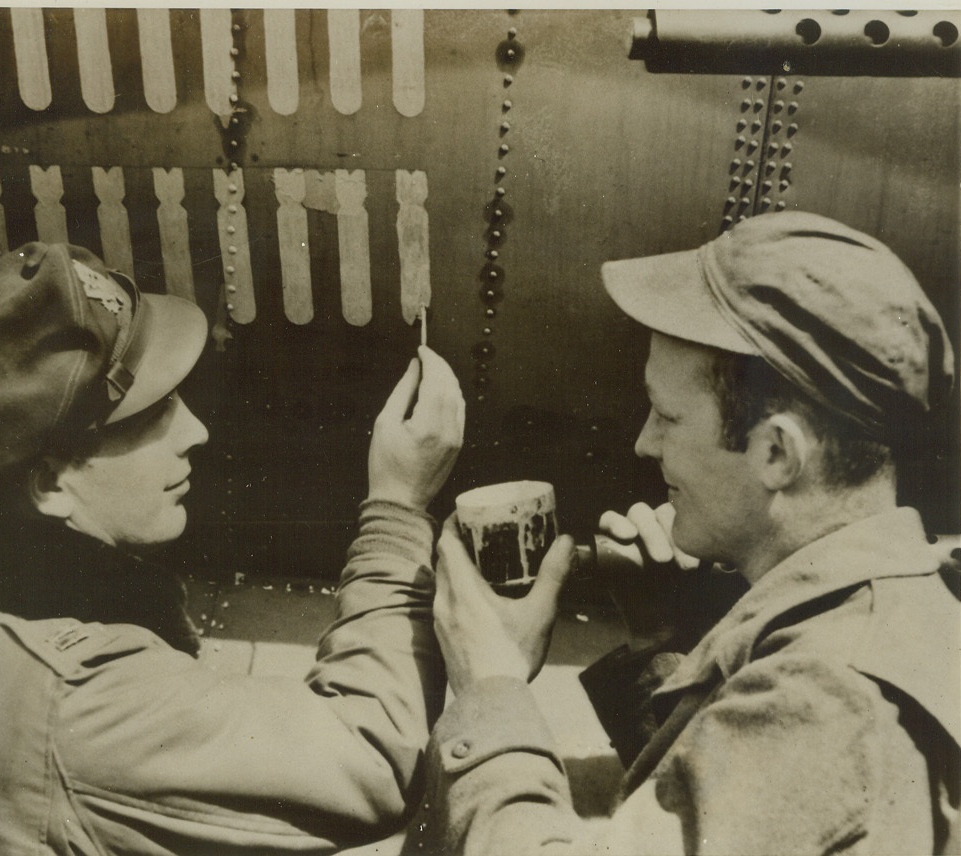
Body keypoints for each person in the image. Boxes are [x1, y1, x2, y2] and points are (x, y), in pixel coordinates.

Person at [404, 211, 960, 855]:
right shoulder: (904, 611)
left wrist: (489, 688)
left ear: (777, 454)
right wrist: (661, 644)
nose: (645, 442)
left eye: (668, 415)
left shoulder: (827, 702)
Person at [0, 242, 465, 854]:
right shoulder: (90, 702)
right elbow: (373, 756)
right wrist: (399, 506)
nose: (195, 431)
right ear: (49, 484)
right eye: (151, 415)